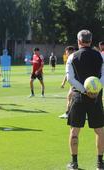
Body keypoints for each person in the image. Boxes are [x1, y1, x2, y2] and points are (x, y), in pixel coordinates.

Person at [66, 30, 104, 170]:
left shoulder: (72, 57)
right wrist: (94, 91)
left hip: (78, 97)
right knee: (100, 131)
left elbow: (70, 79)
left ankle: (74, 163)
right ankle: (100, 164)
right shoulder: (99, 56)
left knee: (74, 131)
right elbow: (103, 76)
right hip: (96, 98)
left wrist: (84, 90)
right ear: (91, 40)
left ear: (79, 41)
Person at [59, 46, 75, 119]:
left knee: (69, 98)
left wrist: (63, 83)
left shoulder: (71, 59)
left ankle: (67, 113)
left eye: (66, 52)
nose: (66, 54)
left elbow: (68, 73)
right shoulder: (77, 57)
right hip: (78, 82)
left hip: (74, 83)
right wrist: (63, 82)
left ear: (69, 51)